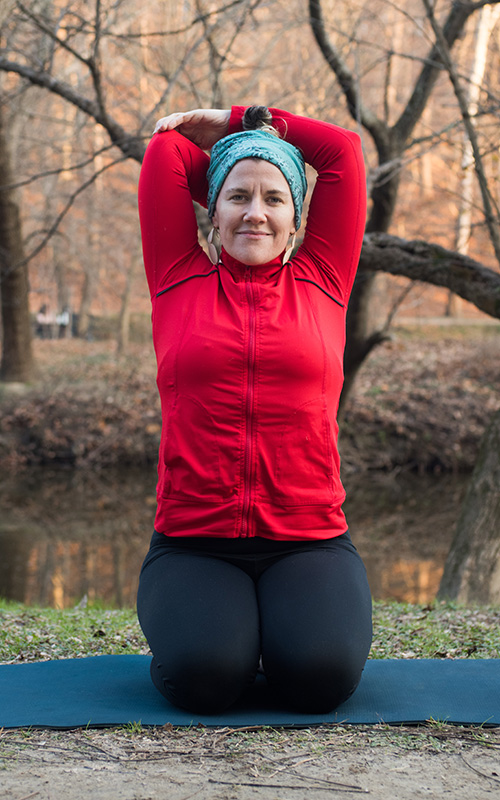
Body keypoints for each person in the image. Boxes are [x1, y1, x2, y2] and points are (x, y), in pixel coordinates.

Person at [137, 104, 372, 715]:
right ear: (212, 213)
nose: (256, 213)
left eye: (275, 198)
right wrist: (236, 149)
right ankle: (226, 641)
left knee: (320, 681)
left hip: (309, 539)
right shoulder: (176, 279)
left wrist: (245, 121)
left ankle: (273, 638)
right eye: (237, 197)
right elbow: (166, 152)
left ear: (297, 220)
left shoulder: (325, 279)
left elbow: (342, 153)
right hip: (194, 541)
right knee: (205, 681)